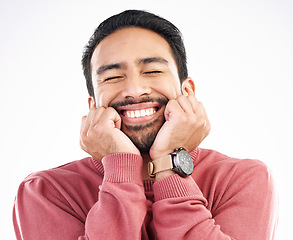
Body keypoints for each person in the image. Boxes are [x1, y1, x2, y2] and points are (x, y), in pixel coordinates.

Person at [13, 10, 278, 240]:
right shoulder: (46, 192)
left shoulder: (243, 179)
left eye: (152, 71)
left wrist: (169, 163)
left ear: (188, 91)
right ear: (92, 106)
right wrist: (120, 164)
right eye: (113, 77)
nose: (134, 90)